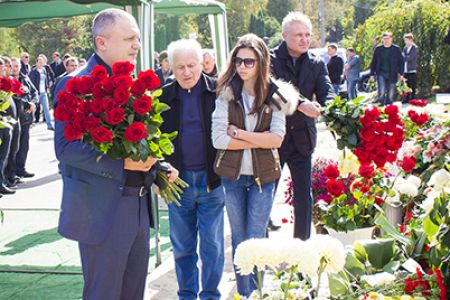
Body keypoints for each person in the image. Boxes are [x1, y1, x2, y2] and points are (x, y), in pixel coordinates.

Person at [54, 8, 178, 300]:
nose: (137, 45)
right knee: (104, 293)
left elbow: (131, 143)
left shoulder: (133, 85)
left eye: (137, 38)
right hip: (102, 210)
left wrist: (157, 166)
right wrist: (124, 162)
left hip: (138, 207)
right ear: (101, 43)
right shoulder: (74, 86)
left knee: (133, 292)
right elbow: (66, 149)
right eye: (130, 39)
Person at [211, 33, 299, 297]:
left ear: (262, 62)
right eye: (238, 60)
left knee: (256, 238)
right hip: (233, 177)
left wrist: (239, 134)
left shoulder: (277, 96)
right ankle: (244, 293)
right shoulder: (226, 92)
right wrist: (258, 140)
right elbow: (218, 139)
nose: (242, 67)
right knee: (240, 240)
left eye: (249, 61)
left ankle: (257, 292)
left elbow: (277, 139)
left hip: (264, 176)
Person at [159, 39, 224, 300]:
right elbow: (153, 141)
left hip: (213, 182)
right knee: (183, 247)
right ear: (170, 68)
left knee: (213, 246)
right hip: (178, 184)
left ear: (203, 64)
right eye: (180, 67)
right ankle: (186, 295)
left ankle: (210, 295)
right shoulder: (163, 97)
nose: (187, 72)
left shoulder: (220, 91)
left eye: (192, 65)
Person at [270, 12, 333, 240]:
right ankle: (260, 251)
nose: (305, 39)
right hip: (274, 139)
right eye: (299, 35)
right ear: (285, 35)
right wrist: (300, 105)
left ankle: (302, 247)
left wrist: (336, 108)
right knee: (265, 196)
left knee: (304, 198)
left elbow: (327, 90)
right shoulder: (270, 60)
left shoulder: (316, 62)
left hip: (303, 140)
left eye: (307, 35)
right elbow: (270, 93)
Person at [10, 57, 38, 180]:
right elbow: (14, 97)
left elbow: (34, 92)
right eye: (14, 66)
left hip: (26, 118)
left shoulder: (25, 78)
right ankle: (12, 172)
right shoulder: (7, 81)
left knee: (24, 146)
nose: (16, 68)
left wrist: (33, 103)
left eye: (18, 66)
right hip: (15, 118)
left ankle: (21, 169)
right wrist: (28, 104)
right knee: (13, 148)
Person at [370, 32, 404, 106]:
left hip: (392, 73)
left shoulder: (396, 49)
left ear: (391, 39)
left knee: (390, 93)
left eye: (388, 38)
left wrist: (401, 73)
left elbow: (401, 62)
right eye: (384, 39)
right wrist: (372, 74)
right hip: (381, 72)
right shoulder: (378, 49)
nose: (386, 40)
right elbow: (373, 62)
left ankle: (389, 108)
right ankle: (380, 106)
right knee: (381, 90)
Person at [29, 55, 54, 130]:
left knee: (46, 109)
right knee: (34, 109)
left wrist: (47, 87)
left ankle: (49, 125)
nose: (40, 64)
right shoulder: (33, 72)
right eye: (39, 62)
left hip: (44, 93)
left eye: (42, 62)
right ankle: (30, 123)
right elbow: (31, 83)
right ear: (36, 63)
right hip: (36, 93)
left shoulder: (44, 70)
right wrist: (34, 93)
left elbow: (46, 79)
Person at [403, 33, 418, 103]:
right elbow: (404, 57)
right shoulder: (405, 48)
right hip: (406, 70)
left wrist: (403, 57)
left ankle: (412, 99)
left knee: (412, 85)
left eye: (406, 40)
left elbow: (410, 58)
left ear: (410, 40)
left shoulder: (414, 48)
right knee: (406, 85)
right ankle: (406, 98)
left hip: (412, 69)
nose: (405, 42)